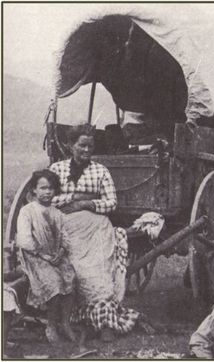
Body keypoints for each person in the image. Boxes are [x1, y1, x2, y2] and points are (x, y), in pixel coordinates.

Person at [50, 123, 139, 342]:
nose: (86, 150)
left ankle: (104, 321)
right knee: (74, 267)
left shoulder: (100, 171)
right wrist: (73, 198)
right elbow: (46, 199)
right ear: (71, 145)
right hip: (66, 226)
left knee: (99, 268)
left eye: (90, 146)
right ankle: (75, 320)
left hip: (96, 227)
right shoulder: (57, 170)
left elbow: (111, 203)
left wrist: (86, 204)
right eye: (81, 145)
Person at [16, 169, 79, 346]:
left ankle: (65, 322)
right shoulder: (28, 212)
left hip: (55, 256)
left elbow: (65, 237)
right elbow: (24, 240)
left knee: (70, 277)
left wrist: (60, 252)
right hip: (34, 256)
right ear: (34, 190)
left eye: (51, 188)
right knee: (54, 282)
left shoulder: (57, 213)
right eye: (43, 188)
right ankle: (51, 325)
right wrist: (42, 254)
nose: (47, 192)